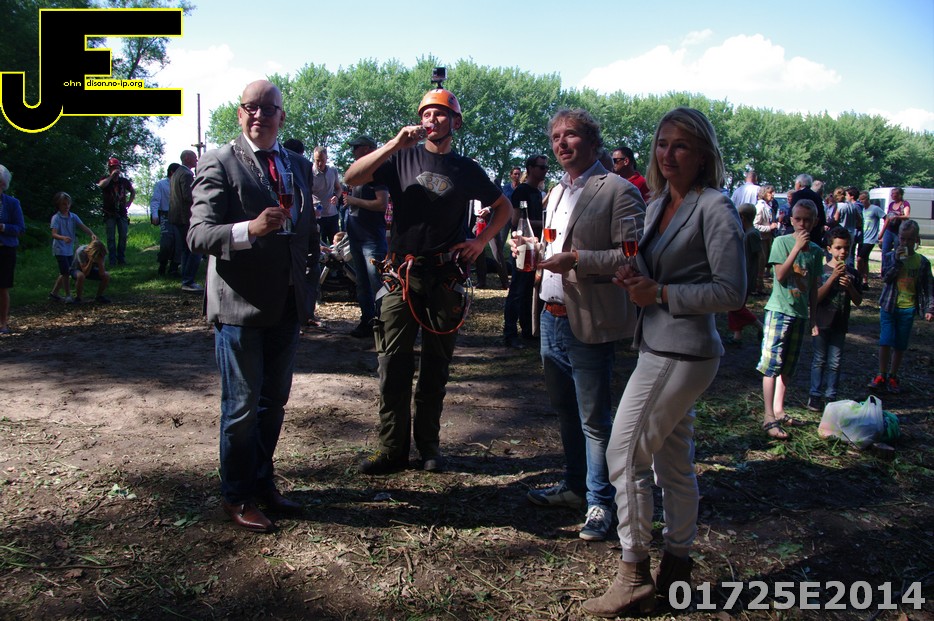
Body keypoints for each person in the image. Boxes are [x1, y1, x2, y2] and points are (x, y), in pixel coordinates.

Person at [581, 107, 744, 617]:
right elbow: (640, 264)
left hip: (683, 350)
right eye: (662, 143)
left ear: (703, 155)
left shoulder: (715, 207)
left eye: (681, 145)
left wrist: (662, 293)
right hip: (657, 344)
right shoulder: (658, 204)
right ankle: (677, 568)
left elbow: (732, 291)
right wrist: (628, 276)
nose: (668, 153)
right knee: (673, 463)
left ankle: (633, 574)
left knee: (624, 455)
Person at [345, 79, 512, 475]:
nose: (432, 119)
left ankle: (429, 446)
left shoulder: (466, 169)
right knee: (393, 365)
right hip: (401, 276)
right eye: (426, 113)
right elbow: (353, 178)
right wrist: (393, 144)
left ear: (456, 122)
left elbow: (504, 207)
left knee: (436, 367)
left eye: (440, 114)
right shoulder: (400, 158)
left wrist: (480, 242)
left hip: (445, 278)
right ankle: (391, 450)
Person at [187, 79, 318, 533]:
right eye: (250, 107)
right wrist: (250, 229)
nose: (259, 114)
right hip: (239, 308)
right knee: (241, 409)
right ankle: (237, 495)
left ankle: (263, 483)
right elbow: (198, 235)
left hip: (287, 306)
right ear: (240, 113)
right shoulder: (218, 162)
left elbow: (308, 233)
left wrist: (308, 290)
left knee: (273, 404)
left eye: (268, 107)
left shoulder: (298, 165)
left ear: (282, 115)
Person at [523, 108, 645, 543]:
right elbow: (552, 246)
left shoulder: (619, 190)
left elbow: (632, 255)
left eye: (570, 135)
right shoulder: (556, 192)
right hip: (550, 315)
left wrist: (576, 260)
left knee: (594, 419)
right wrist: (532, 247)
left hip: (590, 319)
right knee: (564, 410)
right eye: (556, 136)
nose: (561, 143)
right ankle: (575, 487)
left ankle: (601, 503)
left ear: (592, 141)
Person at [757, 199, 823, 440]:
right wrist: (796, 248)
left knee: (788, 365)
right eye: (798, 219)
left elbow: (813, 288)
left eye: (808, 220)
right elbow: (781, 275)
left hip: (800, 313)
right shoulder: (781, 242)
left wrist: (813, 318)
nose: (802, 224)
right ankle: (768, 416)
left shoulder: (816, 251)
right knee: (771, 364)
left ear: (815, 222)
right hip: (779, 311)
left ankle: (779, 409)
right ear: (791, 220)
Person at [867, 220, 933, 394]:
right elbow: (886, 277)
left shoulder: (922, 262)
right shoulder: (890, 256)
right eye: (902, 239)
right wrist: (897, 261)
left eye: (909, 239)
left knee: (900, 344)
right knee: (885, 340)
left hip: (908, 307)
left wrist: (930, 308)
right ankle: (881, 374)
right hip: (889, 305)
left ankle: (893, 375)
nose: (905, 243)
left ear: (916, 239)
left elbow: (928, 287)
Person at [807, 225, 862, 412]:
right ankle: (814, 395)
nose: (842, 252)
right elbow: (815, 298)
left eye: (846, 248)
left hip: (839, 324)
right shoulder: (821, 271)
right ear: (829, 249)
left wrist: (850, 287)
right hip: (821, 323)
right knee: (819, 359)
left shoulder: (852, 273)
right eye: (838, 248)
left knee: (835, 362)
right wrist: (832, 279)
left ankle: (831, 396)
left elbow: (858, 300)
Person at [343, 135, 389, 338]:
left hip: (372, 238)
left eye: (356, 147)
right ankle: (367, 322)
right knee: (362, 283)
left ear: (368, 148)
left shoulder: (377, 171)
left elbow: (381, 204)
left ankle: (385, 324)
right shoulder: (358, 172)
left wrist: (354, 201)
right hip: (356, 235)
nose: (353, 151)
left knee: (377, 283)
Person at [502, 154, 548, 348]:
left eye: (546, 168)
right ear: (530, 168)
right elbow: (516, 221)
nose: (545, 171)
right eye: (541, 167)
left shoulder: (537, 192)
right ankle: (510, 333)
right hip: (522, 247)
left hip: (536, 246)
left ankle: (528, 330)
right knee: (518, 290)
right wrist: (545, 225)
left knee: (530, 289)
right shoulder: (521, 191)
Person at [726, 203, 765, 346]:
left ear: (742, 217)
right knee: (734, 305)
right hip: (739, 274)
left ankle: (761, 327)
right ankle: (737, 336)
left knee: (736, 305)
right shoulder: (745, 233)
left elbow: (761, 255)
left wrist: (760, 276)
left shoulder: (752, 234)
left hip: (747, 276)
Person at [49, 192, 97, 302]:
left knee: (66, 270)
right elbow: (54, 234)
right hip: (59, 249)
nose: (66, 206)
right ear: (58, 205)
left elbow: (82, 226)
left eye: (68, 204)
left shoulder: (73, 216)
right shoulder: (56, 218)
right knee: (66, 272)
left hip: (69, 249)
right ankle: (68, 295)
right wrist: (63, 238)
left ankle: (54, 293)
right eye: (63, 204)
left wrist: (92, 234)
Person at [170, 150, 203, 292]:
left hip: (176, 217)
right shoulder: (187, 174)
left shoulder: (176, 173)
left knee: (185, 249)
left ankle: (185, 278)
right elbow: (188, 196)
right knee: (197, 248)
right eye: (195, 157)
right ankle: (188, 280)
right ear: (187, 158)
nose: (196, 160)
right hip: (186, 217)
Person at [0, 164, 25, 335]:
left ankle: (3, 323)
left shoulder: (12, 203)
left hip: (5, 250)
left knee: (2, 287)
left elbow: (20, 229)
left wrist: (3, 227)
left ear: (3, 184)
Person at [97, 157, 135, 266]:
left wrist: (129, 202)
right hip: (109, 213)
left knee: (123, 236)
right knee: (111, 238)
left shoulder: (124, 181)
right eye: (113, 167)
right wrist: (111, 176)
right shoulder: (105, 179)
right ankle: (112, 260)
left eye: (117, 167)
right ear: (110, 168)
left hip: (122, 213)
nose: (116, 170)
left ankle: (121, 258)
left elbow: (132, 191)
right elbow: (101, 185)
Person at [151, 163, 181, 276]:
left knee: (179, 242)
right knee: (166, 242)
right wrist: (155, 215)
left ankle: (174, 267)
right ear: (172, 172)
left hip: (179, 217)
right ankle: (162, 263)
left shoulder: (181, 184)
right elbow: (155, 200)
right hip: (165, 215)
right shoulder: (161, 184)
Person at [311, 146, 342, 245]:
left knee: (336, 244)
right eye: (317, 160)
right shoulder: (309, 172)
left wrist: (336, 196)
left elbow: (339, 188)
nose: (320, 163)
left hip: (332, 214)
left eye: (322, 160)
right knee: (318, 245)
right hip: (317, 215)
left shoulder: (333, 171)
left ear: (327, 158)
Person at [752, 184, 778, 295]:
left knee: (763, 263)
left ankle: (759, 286)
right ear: (764, 194)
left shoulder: (768, 206)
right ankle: (757, 286)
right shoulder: (760, 207)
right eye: (770, 193)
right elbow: (755, 225)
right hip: (761, 239)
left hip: (767, 238)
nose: (772, 195)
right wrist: (769, 228)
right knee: (760, 263)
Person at [858, 190, 886, 288]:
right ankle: (865, 282)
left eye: (862, 199)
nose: (861, 201)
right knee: (865, 260)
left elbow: (886, 218)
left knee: (859, 259)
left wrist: (881, 233)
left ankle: (858, 278)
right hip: (862, 238)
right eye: (860, 200)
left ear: (867, 199)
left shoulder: (875, 209)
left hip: (871, 239)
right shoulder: (861, 210)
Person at [70, 239, 111, 304]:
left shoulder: (102, 253)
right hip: (76, 269)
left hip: (91, 270)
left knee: (106, 275)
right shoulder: (81, 251)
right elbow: (85, 273)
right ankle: (78, 298)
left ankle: (99, 296)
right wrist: (91, 261)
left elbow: (102, 273)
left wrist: (100, 262)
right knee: (81, 276)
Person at [790, 173, 827, 242]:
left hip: (798, 234)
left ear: (799, 184)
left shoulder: (797, 195)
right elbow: (822, 217)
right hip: (814, 233)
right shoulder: (817, 196)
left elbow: (791, 213)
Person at [880, 187, 911, 256]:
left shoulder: (905, 204)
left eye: (893, 194)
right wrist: (882, 234)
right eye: (892, 194)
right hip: (889, 230)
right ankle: (885, 263)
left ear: (899, 195)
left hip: (899, 231)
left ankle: (897, 262)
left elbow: (907, 216)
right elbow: (887, 218)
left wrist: (897, 217)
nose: (892, 195)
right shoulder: (891, 204)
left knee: (898, 250)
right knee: (885, 251)